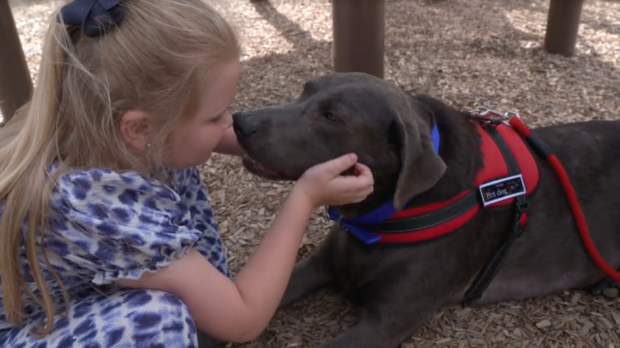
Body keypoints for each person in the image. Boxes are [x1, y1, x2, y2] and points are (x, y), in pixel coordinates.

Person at [0, 0, 374, 347]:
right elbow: (242, 321)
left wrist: (298, 147)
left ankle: (202, 293)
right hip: (19, 332)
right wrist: (304, 197)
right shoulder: (94, 207)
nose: (231, 122)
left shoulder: (94, 124)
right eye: (215, 116)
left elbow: (204, 136)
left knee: (177, 159)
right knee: (157, 321)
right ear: (140, 129)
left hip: (61, 294)